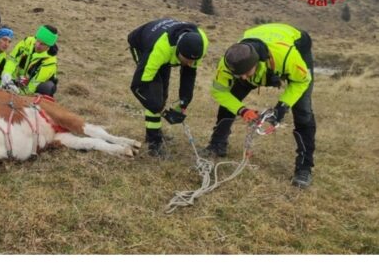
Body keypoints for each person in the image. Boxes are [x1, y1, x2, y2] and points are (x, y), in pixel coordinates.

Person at [204, 23, 315, 188]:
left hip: (294, 45)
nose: (241, 78)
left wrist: (282, 107)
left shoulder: (287, 57)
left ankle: (304, 168)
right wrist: (242, 110)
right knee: (230, 101)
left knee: (303, 113)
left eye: (245, 73)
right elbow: (219, 91)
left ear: (257, 63)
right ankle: (217, 145)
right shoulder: (230, 62)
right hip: (259, 49)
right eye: (237, 74)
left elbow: (302, 81)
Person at [126, 18, 208, 157]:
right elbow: (138, 86)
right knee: (155, 96)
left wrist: (183, 102)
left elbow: (189, 74)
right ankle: (153, 141)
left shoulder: (201, 43)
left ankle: (155, 132)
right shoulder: (160, 50)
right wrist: (160, 109)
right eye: (186, 60)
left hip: (164, 49)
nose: (190, 63)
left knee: (163, 93)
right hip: (141, 44)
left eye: (193, 60)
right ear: (177, 50)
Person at [0, 25, 59, 96]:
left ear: (49, 46)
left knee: (47, 87)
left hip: (32, 87)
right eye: (37, 40)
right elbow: (13, 59)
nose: (37, 45)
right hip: (19, 78)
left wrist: (19, 93)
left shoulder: (50, 62)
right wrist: (7, 73)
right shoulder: (27, 42)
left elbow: (34, 84)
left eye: (42, 44)